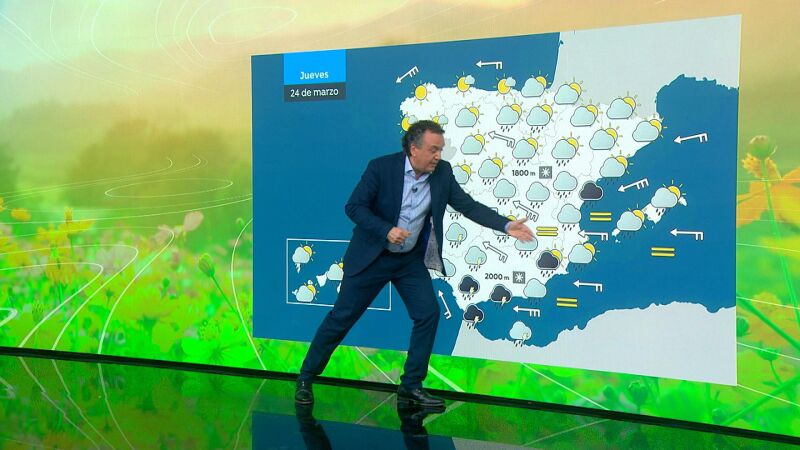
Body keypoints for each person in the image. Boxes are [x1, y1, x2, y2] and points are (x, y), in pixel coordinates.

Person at [295, 120, 533, 409]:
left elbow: (467, 205)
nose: (438, 156)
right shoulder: (381, 168)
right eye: (433, 150)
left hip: (408, 260)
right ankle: (306, 377)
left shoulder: (442, 173)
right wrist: (386, 230)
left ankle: (411, 386)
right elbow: (354, 207)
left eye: (440, 150)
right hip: (373, 256)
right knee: (342, 317)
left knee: (428, 314)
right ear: (413, 148)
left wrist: (506, 225)